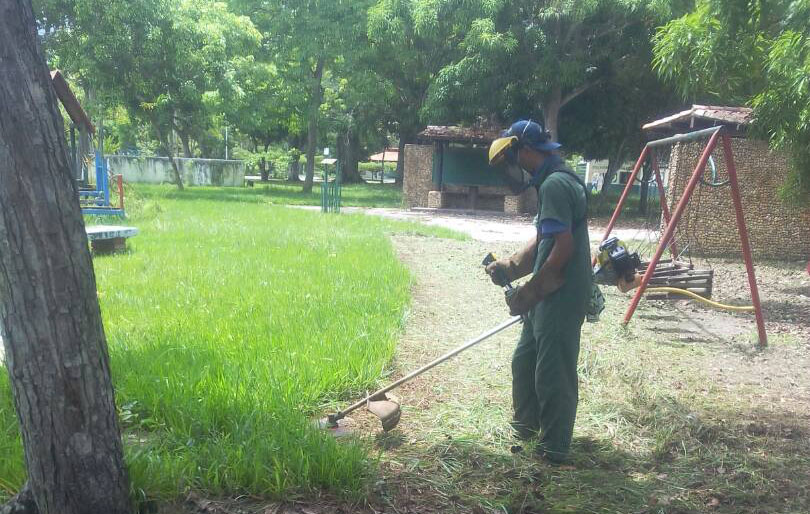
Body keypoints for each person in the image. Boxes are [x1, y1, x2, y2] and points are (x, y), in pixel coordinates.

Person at [485, 120, 591, 463]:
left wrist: (529, 294)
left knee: (552, 373)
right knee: (524, 360)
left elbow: (562, 252)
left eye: (509, 161)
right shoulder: (551, 180)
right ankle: (526, 428)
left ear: (525, 150)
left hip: (559, 295)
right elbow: (545, 240)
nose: (510, 171)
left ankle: (554, 448)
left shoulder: (556, 185)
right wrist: (510, 266)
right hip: (547, 293)